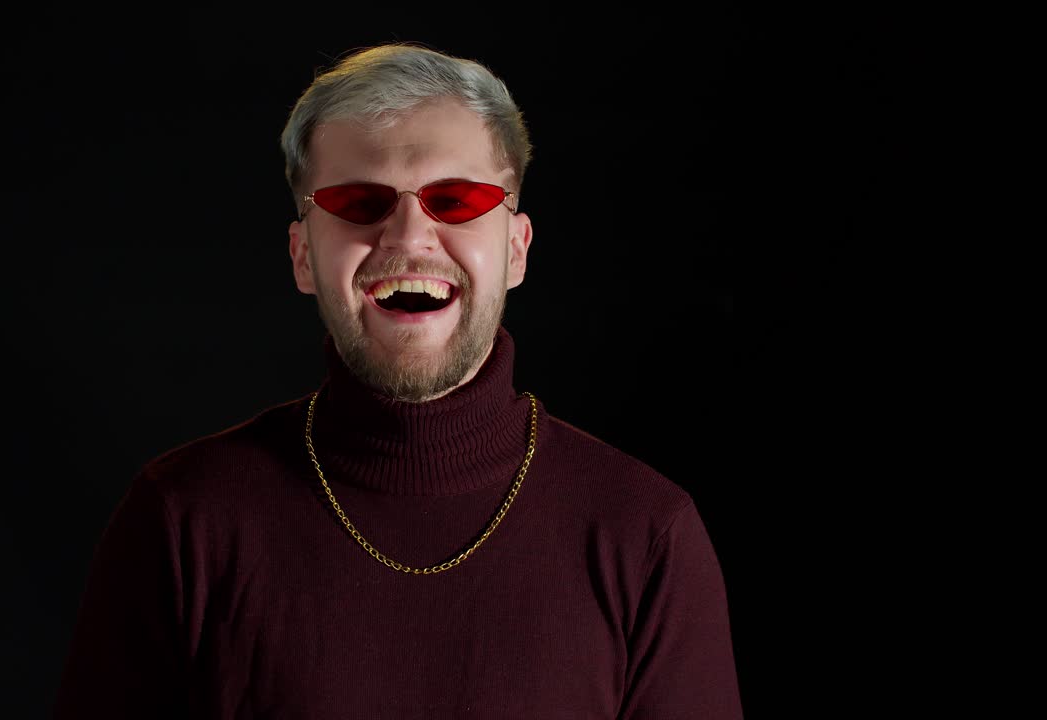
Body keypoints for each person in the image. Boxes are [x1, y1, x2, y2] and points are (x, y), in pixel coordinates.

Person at [54, 43, 743, 719]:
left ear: (515, 249)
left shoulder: (647, 535)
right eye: (359, 202)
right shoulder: (182, 520)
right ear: (302, 256)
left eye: (456, 199)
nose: (409, 236)